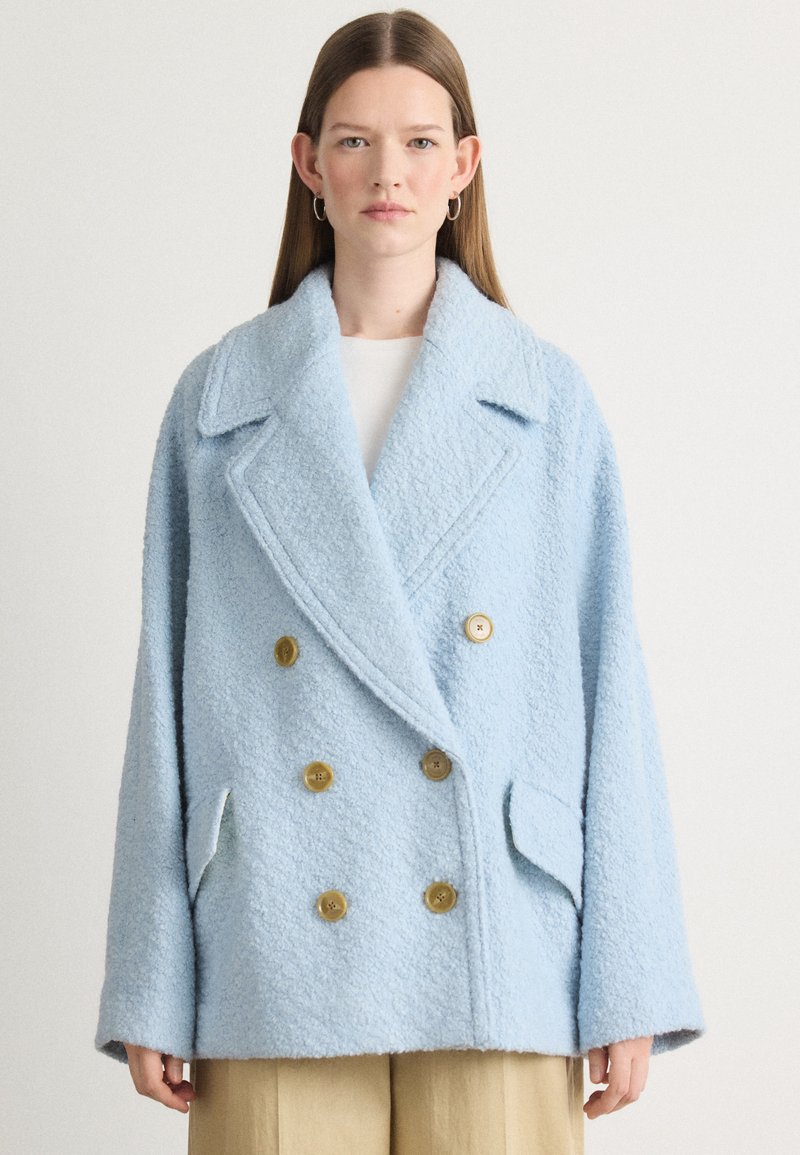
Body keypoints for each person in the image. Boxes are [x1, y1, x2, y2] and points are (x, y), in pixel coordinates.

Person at [94, 9, 705, 1153]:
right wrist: (149, 973)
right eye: (355, 141)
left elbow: (607, 683)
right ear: (307, 163)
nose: (388, 173)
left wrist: (627, 976)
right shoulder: (218, 401)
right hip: (274, 933)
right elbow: (162, 701)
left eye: (420, 142)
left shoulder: (542, 399)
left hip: (497, 929)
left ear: (464, 165)